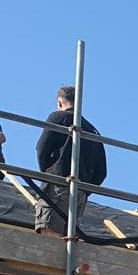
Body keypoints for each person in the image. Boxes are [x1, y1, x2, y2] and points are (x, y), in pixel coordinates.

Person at [33, 84, 107, 236]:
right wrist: (85, 189)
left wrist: (48, 174)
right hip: (80, 191)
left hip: (58, 184)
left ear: (60, 102)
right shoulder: (93, 130)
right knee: (69, 240)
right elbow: (101, 172)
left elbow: (42, 149)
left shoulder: (58, 117)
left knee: (49, 235)